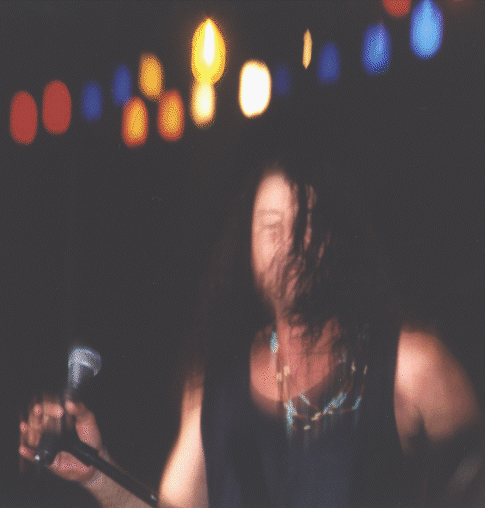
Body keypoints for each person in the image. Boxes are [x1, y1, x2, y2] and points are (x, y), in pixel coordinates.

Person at [20, 148, 484, 507]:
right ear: (248, 249)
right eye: (270, 226)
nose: (289, 244)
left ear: (336, 238)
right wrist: (96, 471)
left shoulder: (411, 366)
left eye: (307, 222)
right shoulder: (213, 387)